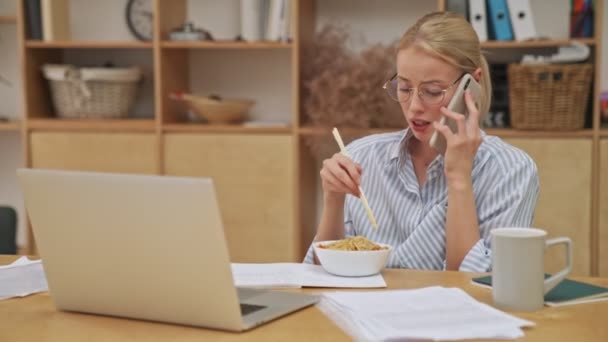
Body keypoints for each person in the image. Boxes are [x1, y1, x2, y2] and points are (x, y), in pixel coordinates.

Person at [303, 11, 539, 272]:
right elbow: (320, 275)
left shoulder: (511, 170)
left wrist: (459, 178)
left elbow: (481, 287)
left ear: (472, 85)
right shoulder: (361, 157)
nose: (414, 107)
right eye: (404, 88)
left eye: (432, 91)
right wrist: (333, 199)